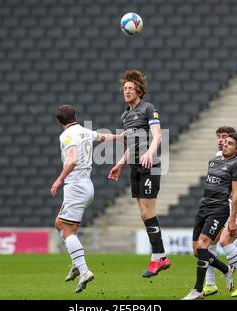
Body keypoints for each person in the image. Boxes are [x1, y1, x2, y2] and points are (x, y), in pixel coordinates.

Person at [51, 104, 123, 293]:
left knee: (69, 233)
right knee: (59, 223)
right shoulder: (83, 131)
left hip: (75, 187)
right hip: (87, 187)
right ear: (75, 116)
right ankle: (76, 262)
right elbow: (103, 137)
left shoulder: (66, 135)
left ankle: (84, 271)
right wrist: (121, 137)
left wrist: (58, 180)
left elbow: (73, 159)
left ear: (60, 122)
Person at [108, 69, 171, 278]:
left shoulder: (148, 108)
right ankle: (160, 258)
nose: (126, 91)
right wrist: (120, 164)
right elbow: (132, 146)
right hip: (135, 167)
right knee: (144, 214)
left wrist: (150, 154)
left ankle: (159, 258)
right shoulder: (125, 115)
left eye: (130, 88)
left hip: (149, 166)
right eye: (124, 89)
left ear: (139, 91)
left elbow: (158, 135)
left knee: (147, 212)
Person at [182, 132, 237, 300]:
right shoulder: (213, 161)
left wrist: (232, 220)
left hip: (219, 209)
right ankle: (225, 269)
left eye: (230, 143)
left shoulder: (236, 165)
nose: (225, 144)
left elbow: (236, 194)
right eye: (225, 142)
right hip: (203, 207)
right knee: (197, 251)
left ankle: (198, 290)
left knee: (203, 246)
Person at [203, 126, 237, 297]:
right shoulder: (217, 157)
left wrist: (228, 196)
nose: (221, 140)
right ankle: (210, 284)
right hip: (228, 206)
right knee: (211, 241)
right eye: (219, 137)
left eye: (225, 137)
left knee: (225, 240)